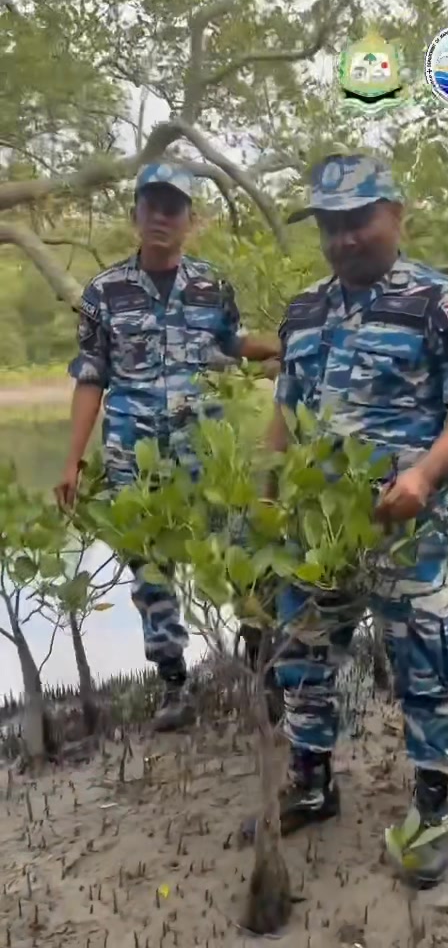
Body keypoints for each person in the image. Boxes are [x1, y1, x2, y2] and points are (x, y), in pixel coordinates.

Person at [247, 152, 448, 888]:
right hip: (317, 532)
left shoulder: (442, 304)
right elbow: (285, 414)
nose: (344, 237)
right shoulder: (303, 311)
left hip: (406, 526)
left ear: (396, 215)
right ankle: (314, 782)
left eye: (358, 219)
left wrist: (424, 472)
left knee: (426, 661)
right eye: (330, 224)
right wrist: (266, 500)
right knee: (304, 656)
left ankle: (431, 811)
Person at [56, 160, 280, 731]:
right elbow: (90, 377)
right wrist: (72, 459)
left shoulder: (213, 286)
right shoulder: (103, 293)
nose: (161, 217)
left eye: (173, 208)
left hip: (204, 450)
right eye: (151, 206)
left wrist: (288, 345)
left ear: (190, 219)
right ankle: (174, 685)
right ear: (135, 214)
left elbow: (232, 345)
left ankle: (263, 665)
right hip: (133, 456)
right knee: (150, 570)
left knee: (239, 552)